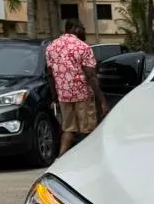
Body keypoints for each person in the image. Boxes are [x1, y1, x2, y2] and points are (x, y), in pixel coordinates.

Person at [46, 20, 109, 156]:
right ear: (74, 28)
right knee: (88, 131)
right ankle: (89, 160)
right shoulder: (83, 47)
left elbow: (50, 75)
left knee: (68, 129)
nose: (85, 32)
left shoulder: (52, 47)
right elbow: (91, 75)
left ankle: (60, 160)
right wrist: (102, 100)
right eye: (83, 28)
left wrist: (55, 97)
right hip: (83, 95)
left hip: (64, 96)